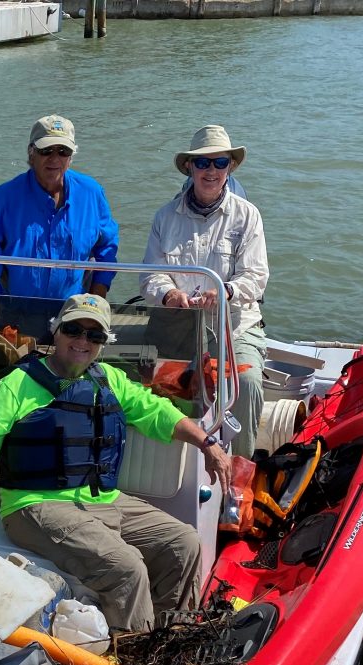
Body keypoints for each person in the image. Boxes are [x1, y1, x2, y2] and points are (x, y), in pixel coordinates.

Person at [0, 294, 231, 635]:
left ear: (103, 342)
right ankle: (132, 656)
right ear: (57, 331)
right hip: (35, 506)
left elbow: (157, 412)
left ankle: (172, 637)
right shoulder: (19, 383)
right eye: (74, 330)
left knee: (183, 543)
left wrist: (208, 442)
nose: (82, 341)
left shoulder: (108, 379)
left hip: (102, 500)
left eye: (94, 336)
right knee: (127, 568)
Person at [141, 125, 270, 459]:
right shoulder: (164, 217)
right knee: (149, 385)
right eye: (202, 163)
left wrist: (225, 291)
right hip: (178, 326)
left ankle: (238, 474)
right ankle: (170, 465)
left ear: (230, 168)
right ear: (189, 168)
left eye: (220, 162)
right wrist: (169, 295)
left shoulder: (248, 216)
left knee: (249, 385)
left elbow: (255, 278)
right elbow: (150, 276)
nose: (211, 171)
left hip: (234, 326)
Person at [0, 115, 119, 333]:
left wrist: (96, 300)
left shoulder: (92, 193)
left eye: (63, 151)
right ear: (31, 152)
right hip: (16, 318)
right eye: (46, 151)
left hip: (74, 316)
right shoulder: (3, 198)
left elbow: (107, 248)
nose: (55, 159)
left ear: (71, 156)